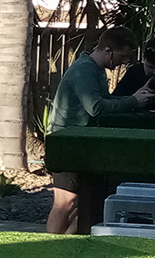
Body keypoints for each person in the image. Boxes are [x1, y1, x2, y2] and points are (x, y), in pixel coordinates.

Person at [45, 25, 148, 234]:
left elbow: (106, 100)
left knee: (86, 202)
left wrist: (136, 99)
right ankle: (49, 248)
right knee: (65, 201)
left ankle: (65, 245)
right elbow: (96, 107)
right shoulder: (84, 69)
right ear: (108, 50)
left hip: (81, 143)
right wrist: (133, 102)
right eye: (123, 55)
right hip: (66, 142)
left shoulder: (97, 70)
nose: (124, 62)